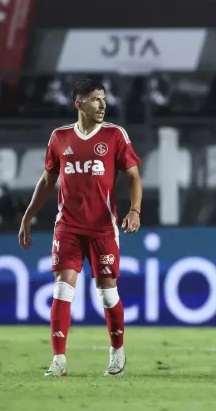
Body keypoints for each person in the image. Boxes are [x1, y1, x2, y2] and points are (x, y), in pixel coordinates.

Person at [18, 79, 142, 377]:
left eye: (104, 99)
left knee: (107, 294)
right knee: (62, 288)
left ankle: (117, 352)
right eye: (96, 99)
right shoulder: (59, 137)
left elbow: (134, 176)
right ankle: (59, 360)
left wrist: (135, 210)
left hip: (103, 228)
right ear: (79, 104)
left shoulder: (114, 135)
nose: (103, 104)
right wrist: (27, 216)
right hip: (68, 227)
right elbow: (48, 181)